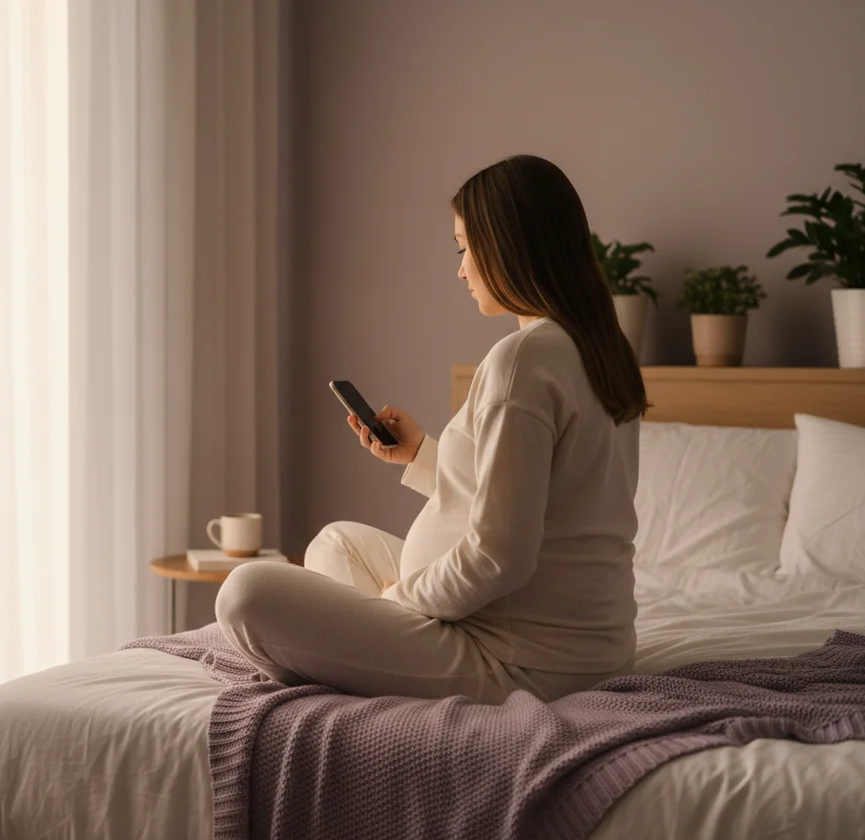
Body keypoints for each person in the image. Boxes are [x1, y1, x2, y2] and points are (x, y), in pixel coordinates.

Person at [215, 154, 648, 704]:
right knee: (337, 542)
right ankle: (353, 655)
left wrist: (401, 601)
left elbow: (500, 556)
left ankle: (338, 666)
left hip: (516, 659)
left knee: (246, 593)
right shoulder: (599, 350)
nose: (461, 269)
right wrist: (420, 455)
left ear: (508, 245)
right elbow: (537, 495)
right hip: (581, 647)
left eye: (465, 247)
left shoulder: (522, 361)